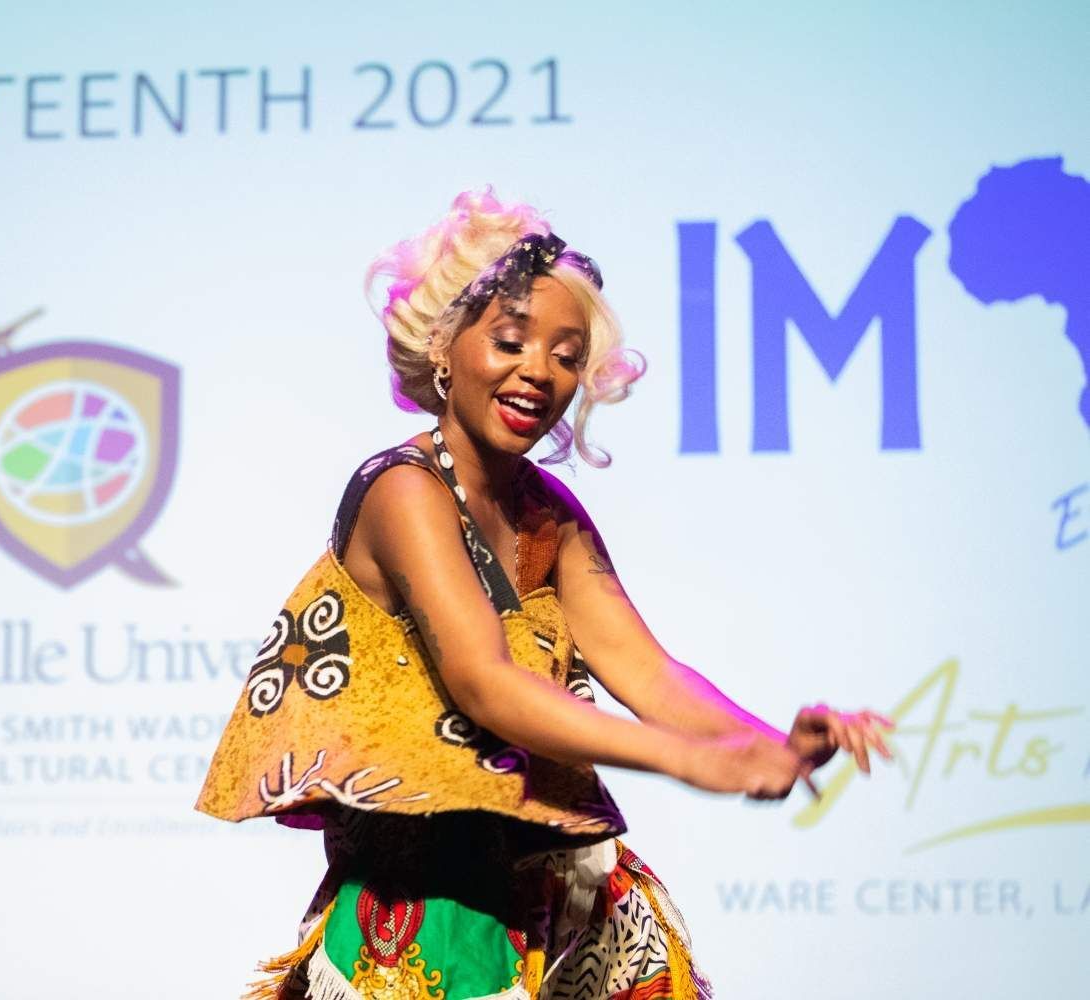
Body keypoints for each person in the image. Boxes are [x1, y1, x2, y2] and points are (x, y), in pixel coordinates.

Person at [195, 187, 894, 1000]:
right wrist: (690, 761)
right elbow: (486, 683)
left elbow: (647, 672)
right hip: (431, 915)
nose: (541, 371)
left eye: (566, 356)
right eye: (512, 340)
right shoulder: (403, 493)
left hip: (562, 893)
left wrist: (763, 744)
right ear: (444, 348)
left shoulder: (547, 515)